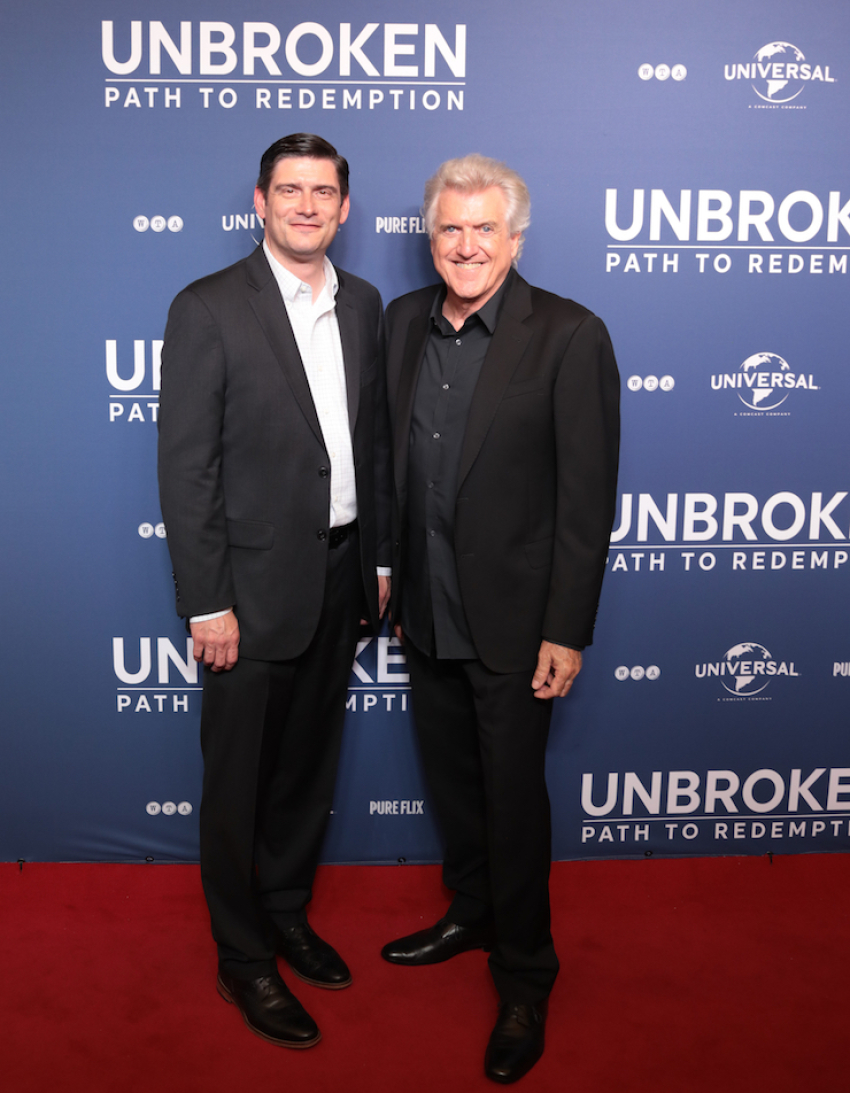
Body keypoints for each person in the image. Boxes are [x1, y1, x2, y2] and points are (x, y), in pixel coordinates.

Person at [381, 154, 619, 1083]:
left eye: (485, 228)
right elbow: (392, 465)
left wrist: (567, 628)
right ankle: (471, 912)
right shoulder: (403, 323)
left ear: (516, 239)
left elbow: (585, 503)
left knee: (513, 801)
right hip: (426, 612)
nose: (467, 245)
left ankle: (525, 974)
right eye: (451, 228)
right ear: (430, 238)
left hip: (519, 625)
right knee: (454, 785)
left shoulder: (568, 333)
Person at [158, 133, 390, 1049]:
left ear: (344, 207)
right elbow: (187, 469)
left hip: (341, 572)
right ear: (260, 202)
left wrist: (378, 560)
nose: (305, 205)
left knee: (307, 766)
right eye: (289, 189)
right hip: (247, 592)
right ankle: (243, 952)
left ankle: (287, 909)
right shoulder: (208, 307)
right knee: (238, 781)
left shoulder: (363, 304)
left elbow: (371, 444)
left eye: (322, 191)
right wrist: (206, 599)